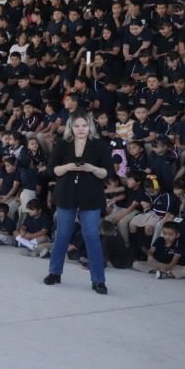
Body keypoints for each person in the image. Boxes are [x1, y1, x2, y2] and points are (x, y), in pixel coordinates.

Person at [44, 112, 115, 294]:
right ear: (71, 128)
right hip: (66, 193)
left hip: (91, 195)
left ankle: (98, 279)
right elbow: (52, 170)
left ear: (90, 126)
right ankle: (54, 272)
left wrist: (92, 168)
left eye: (84, 125)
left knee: (91, 236)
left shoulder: (99, 145)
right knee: (62, 234)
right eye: (77, 126)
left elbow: (108, 173)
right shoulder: (63, 144)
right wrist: (67, 167)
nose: (81, 129)